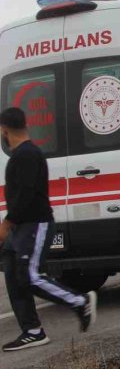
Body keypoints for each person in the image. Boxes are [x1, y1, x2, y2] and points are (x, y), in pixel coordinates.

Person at [0, 107, 96, 351]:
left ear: (4, 130)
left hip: (35, 224)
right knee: (13, 274)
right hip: (20, 229)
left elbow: (27, 195)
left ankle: (80, 301)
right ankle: (32, 330)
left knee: (30, 276)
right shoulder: (19, 155)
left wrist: (7, 223)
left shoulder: (28, 155)